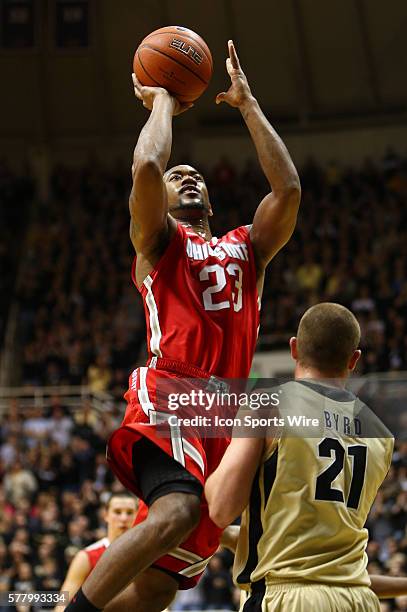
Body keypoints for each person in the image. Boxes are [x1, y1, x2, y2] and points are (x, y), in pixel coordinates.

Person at [65, 39, 301, 612]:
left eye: (197, 176)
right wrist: (163, 101)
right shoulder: (158, 241)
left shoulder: (247, 249)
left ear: (214, 205)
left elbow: (288, 190)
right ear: (162, 201)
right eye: (180, 177)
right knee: (176, 512)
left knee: (156, 589)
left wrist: (247, 105)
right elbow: (147, 164)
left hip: (223, 415)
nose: (188, 177)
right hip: (171, 388)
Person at [205, 302, 395, 611]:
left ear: (294, 348)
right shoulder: (381, 434)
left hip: (289, 595)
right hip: (359, 598)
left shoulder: (269, 403)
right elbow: (317, 525)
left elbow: (221, 507)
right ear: (354, 359)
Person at [56, 494, 137, 610]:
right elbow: (63, 604)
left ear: (137, 516)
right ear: (106, 515)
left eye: (129, 513)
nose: (124, 518)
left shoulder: (148, 556)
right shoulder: (85, 557)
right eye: (117, 512)